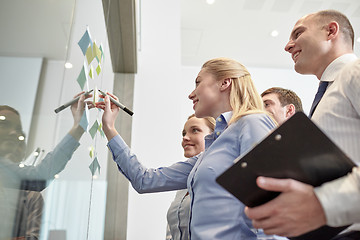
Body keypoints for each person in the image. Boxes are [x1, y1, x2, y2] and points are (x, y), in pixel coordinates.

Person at [97, 57, 285, 239]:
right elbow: (146, 180)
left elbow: (272, 200)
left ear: (224, 83)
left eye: (198, 83)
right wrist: (109, 128)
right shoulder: (209, 152)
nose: (191, 94)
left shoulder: (252, 123)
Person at [245, 10, 360, 239]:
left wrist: (323, 203)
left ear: (331, 31)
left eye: (298, 34)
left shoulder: (354, 73)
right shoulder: (326, 96)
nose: (288, 46)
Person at [0, 92, 92, 239]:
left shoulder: (28, 196)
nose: (12, 133)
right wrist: (78, 127)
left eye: (17, 129)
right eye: (4, 124)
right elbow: (40, 175)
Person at [166, 114, 215, 240]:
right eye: (183, 133)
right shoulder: (183, 186)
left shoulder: (220, 177)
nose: (185, 138)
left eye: (195, 130)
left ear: (214, 136)